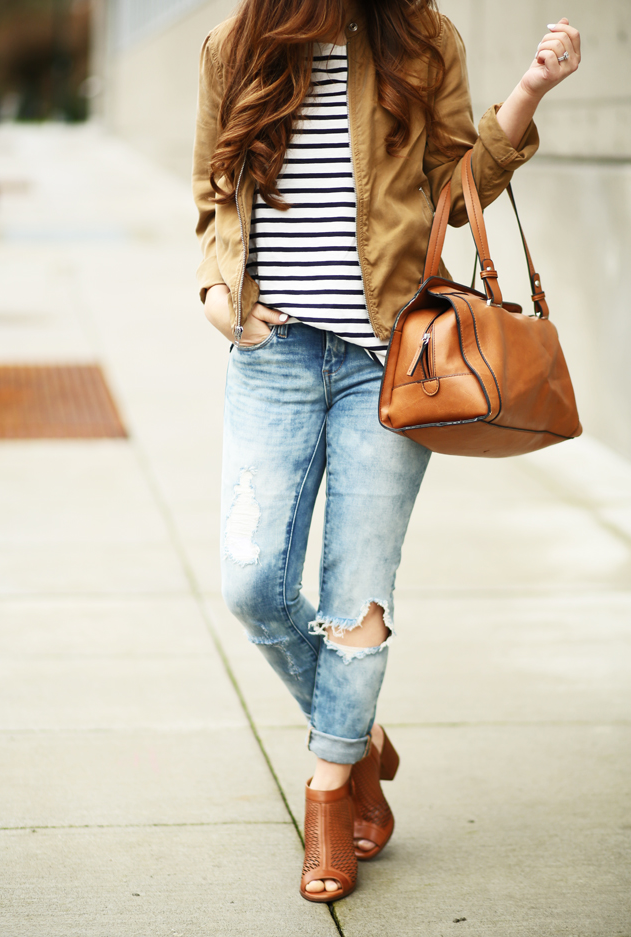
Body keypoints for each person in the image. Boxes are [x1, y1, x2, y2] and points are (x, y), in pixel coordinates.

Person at [192, 0, 580, 903]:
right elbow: (214, 183)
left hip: (393, 358)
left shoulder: (421, 35)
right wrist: (218, 288)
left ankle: (331, 794)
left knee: (356, 591)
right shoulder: (232, 43)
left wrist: (528, 91)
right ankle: (358, 734)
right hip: (271, 350)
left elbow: (462, 189)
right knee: (252, 584)